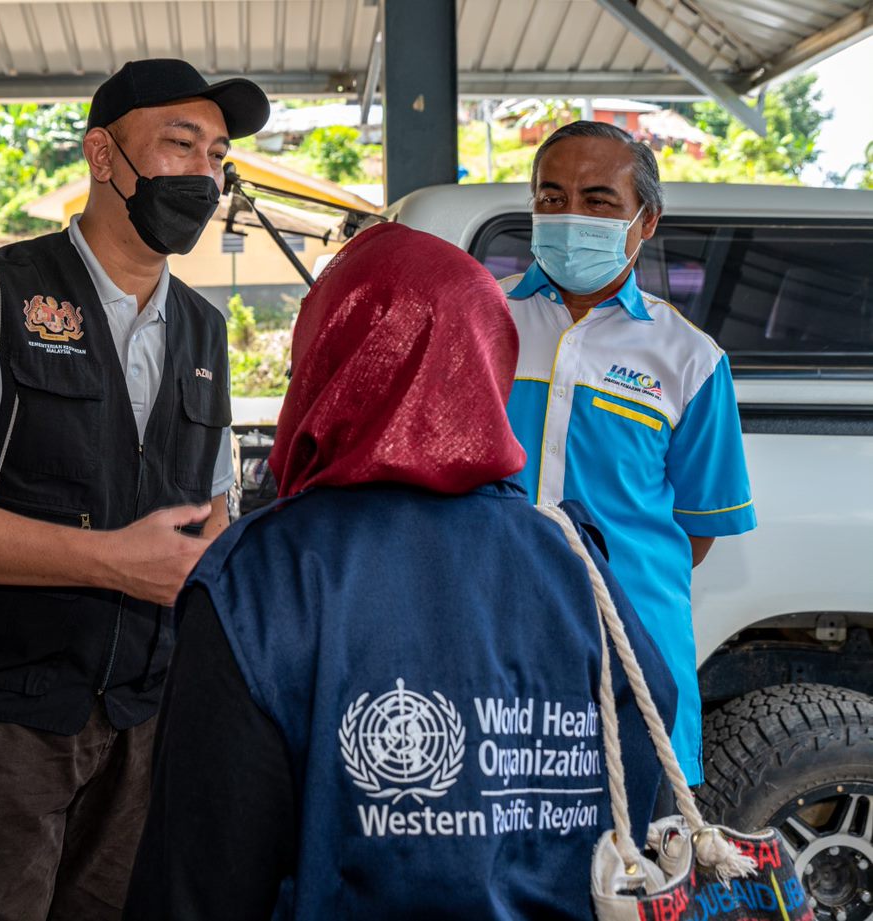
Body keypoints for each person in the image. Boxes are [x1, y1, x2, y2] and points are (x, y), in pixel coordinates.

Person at [123, 223, 678, 921]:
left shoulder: (263, 580)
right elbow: (646, 779)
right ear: (489, 364)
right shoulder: (573, 563)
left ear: (328, 361)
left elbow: (197, 883)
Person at [0, 58, 269, 920]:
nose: (203, 174)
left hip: (142, 729)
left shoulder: (205, 328)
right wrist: (107, 560)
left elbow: (211, 511)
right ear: (102, 154)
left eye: (217, 155)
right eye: (180, 144)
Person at [501, 120, 755, 786]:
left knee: (637, 834)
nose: (570, 216)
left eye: (598, 201)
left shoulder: (691, 359)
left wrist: (611, 582)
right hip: (494, 634)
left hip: (632, 651)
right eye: (551, 198)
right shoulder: (482, 323)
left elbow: (695, 530)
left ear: (647, 221)